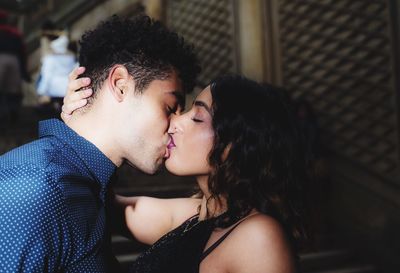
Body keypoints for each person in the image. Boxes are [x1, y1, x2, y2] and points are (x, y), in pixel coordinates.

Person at [0, 15, 199, 272]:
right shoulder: (35, 188)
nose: (174, 125)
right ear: (120, 85)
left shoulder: (89, 184)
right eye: (170, 107)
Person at [63, 73, 308, 272]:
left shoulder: (258, 237)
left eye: (197, 118)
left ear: (235, 145)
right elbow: (95, 203)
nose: (175, 122)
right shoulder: (198, 216)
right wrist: (88, 120)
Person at [36, 21, 78, 113]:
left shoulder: (50, 57)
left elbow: (47, 75)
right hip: (66, 88)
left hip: (53, 89)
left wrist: (41, 92)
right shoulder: (70, 56)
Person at [0, 9, 30, 125]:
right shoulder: (14, 33)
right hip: (14, 60)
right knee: (13, 91)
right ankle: (12, 114)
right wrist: (24, 71)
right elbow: (22, 51)